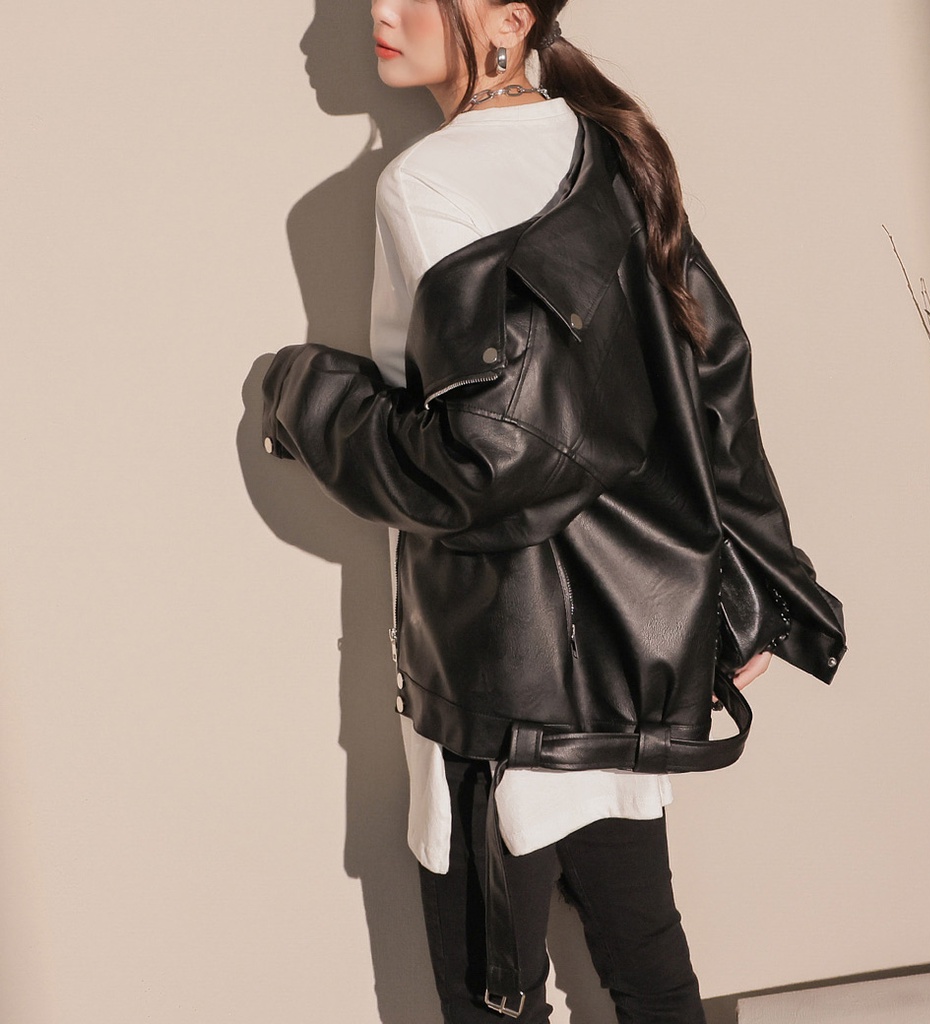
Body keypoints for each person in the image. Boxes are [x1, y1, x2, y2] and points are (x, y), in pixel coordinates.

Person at [260, 1, 847, 1022]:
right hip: (624, 645)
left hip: (495, 670)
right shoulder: (612, 149)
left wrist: (304, 396)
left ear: (508, 17)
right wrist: (757, 571)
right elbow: (713, 366)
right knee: (651, 973)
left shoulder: (425, 182)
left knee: (493, 997)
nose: (376, 14)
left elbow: (479, 463)